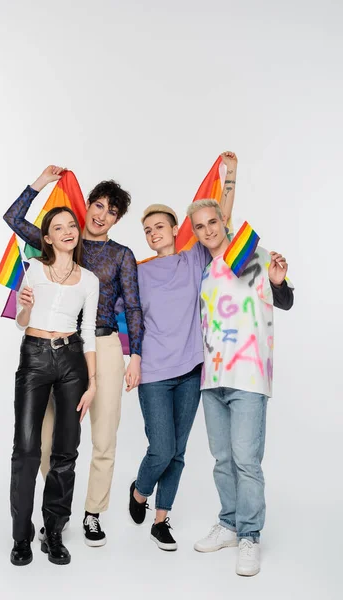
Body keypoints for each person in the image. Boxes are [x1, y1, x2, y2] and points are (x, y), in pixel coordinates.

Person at [4, 167, 143, 546]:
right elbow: (14, 219)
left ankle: (93, 513)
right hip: (60, 349)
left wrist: (136, 356)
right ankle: (54, 517)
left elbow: (133, 307)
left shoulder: (120, 255)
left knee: (103, 435)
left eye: (111, 211)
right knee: (50, 439)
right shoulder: (63, 240)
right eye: (98, 205)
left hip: (104, 345)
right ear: (87, 205)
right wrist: (40, 183)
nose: (101, 214)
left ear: (117, 218)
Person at [128, 152, 240, 550]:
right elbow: (129, 318)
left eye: (160, 226)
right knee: (162, 448)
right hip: (155, 373)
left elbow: (219, 221)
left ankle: (162, 519)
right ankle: (140, 490)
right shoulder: (137, 271)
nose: (153, 233)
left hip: (192, 370)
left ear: (177, 229)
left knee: (179, 451)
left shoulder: (194, 258)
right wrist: (132, 359)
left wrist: (230, 178)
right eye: (147, 229)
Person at [187, 199, 294, 576]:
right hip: (212, 377)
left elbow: (285, 301)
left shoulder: (256, 254)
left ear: (223, 221)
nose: (207, 230)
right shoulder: (202, 269)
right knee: (222, 459)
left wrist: (278, 282)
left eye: (212, 222)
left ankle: (250, 535)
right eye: (199, 226)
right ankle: (229, 525)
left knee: (247, 461)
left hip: (249, 376)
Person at [10, 206, 99, 566]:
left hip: (72, 361)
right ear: (46, 237)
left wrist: (92, 383)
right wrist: (24, 307)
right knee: (27, 449)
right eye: (57, 228)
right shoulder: (33, 269)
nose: (67, 231)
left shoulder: (89, 280)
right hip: (34, 355)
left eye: (71, 226)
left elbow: (89, 332)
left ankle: (55, 531)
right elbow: (20, 323)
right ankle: (21, 536)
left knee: (66, 451)